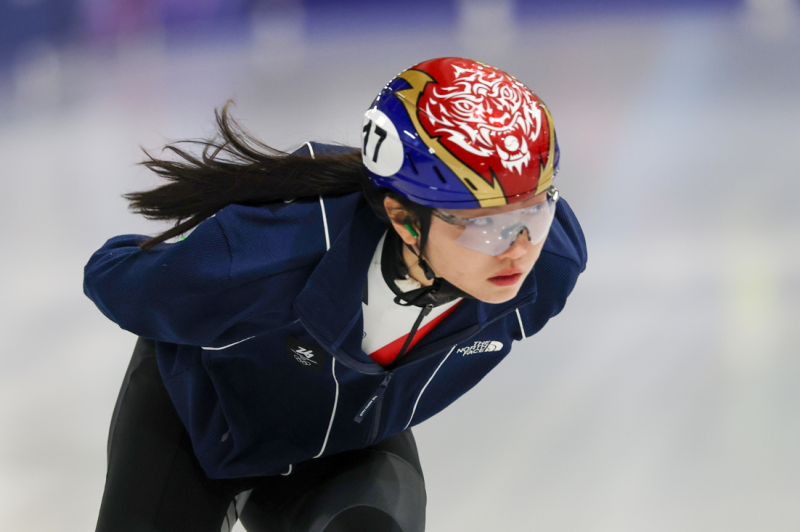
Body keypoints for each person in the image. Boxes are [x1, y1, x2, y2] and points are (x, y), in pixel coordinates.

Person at [84, 57, 587, 532]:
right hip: (197, 425)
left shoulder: (549, 267)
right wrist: (192, 263)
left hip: (342, 444)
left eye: (534, 211)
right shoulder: (262, 259)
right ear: (404, 218)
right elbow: (111, 273)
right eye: (486, 224)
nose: (519, 249)